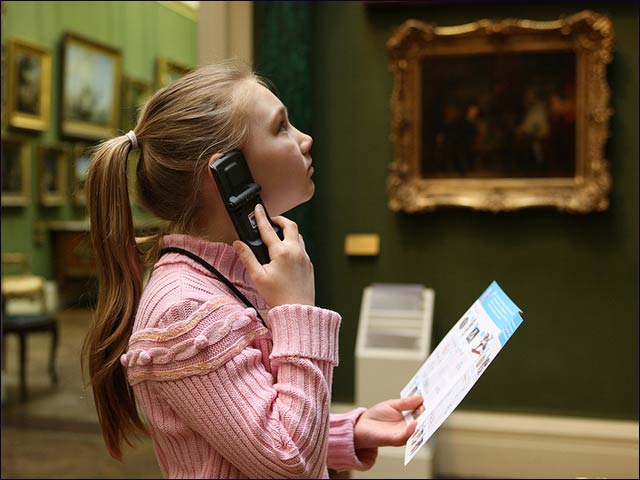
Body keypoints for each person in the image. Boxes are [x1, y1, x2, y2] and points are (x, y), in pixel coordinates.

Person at [81, 62, 423, 478]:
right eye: (281, 127)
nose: (305, 139)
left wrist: (342, 432)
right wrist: (298, 308)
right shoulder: (184, 311)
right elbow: (286, 458)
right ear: (227, 173)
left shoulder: (232, 273)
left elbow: (245, 428)